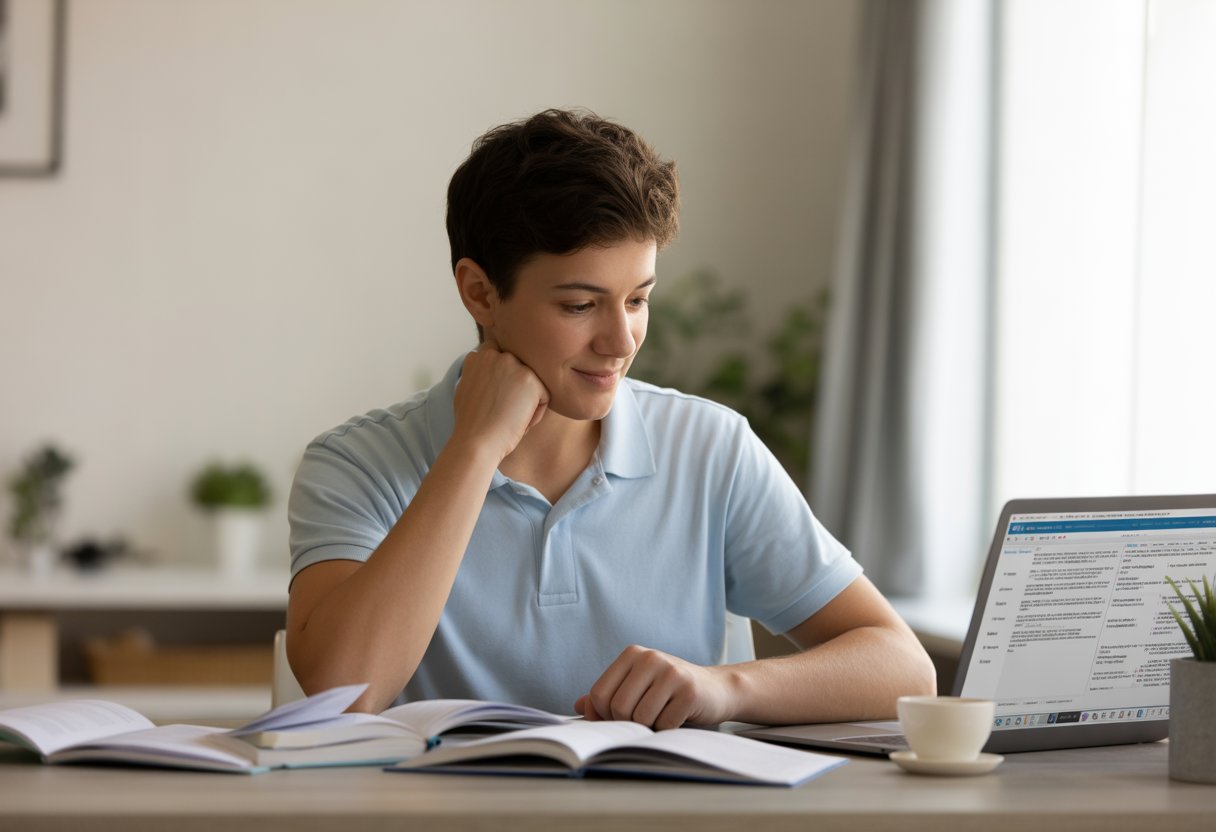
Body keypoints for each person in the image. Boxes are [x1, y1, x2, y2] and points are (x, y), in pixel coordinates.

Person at [285, 108, 935, 727]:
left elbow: (903, 668)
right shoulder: (355, 464)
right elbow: (345, 695)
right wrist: (475, 449)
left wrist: (726, 687)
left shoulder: (709, 448)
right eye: (579, 305)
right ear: (479, 292)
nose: (621, 341)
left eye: (638, 299)